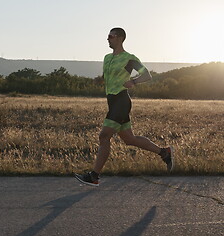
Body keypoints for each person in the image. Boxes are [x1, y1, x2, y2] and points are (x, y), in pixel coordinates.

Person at [74, 27, 174, 187]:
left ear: (120, 38)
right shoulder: (107, 58)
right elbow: (106, 77)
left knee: (104, 136)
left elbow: (147, 75)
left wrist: (133, 81)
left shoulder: (129, 58)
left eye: (111, 36)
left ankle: (94, 176)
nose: (108, 39)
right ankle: (164, 152)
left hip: (121, 101)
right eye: (107, 36)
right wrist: (99, 80)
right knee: (129, 139)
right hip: (112, 101)